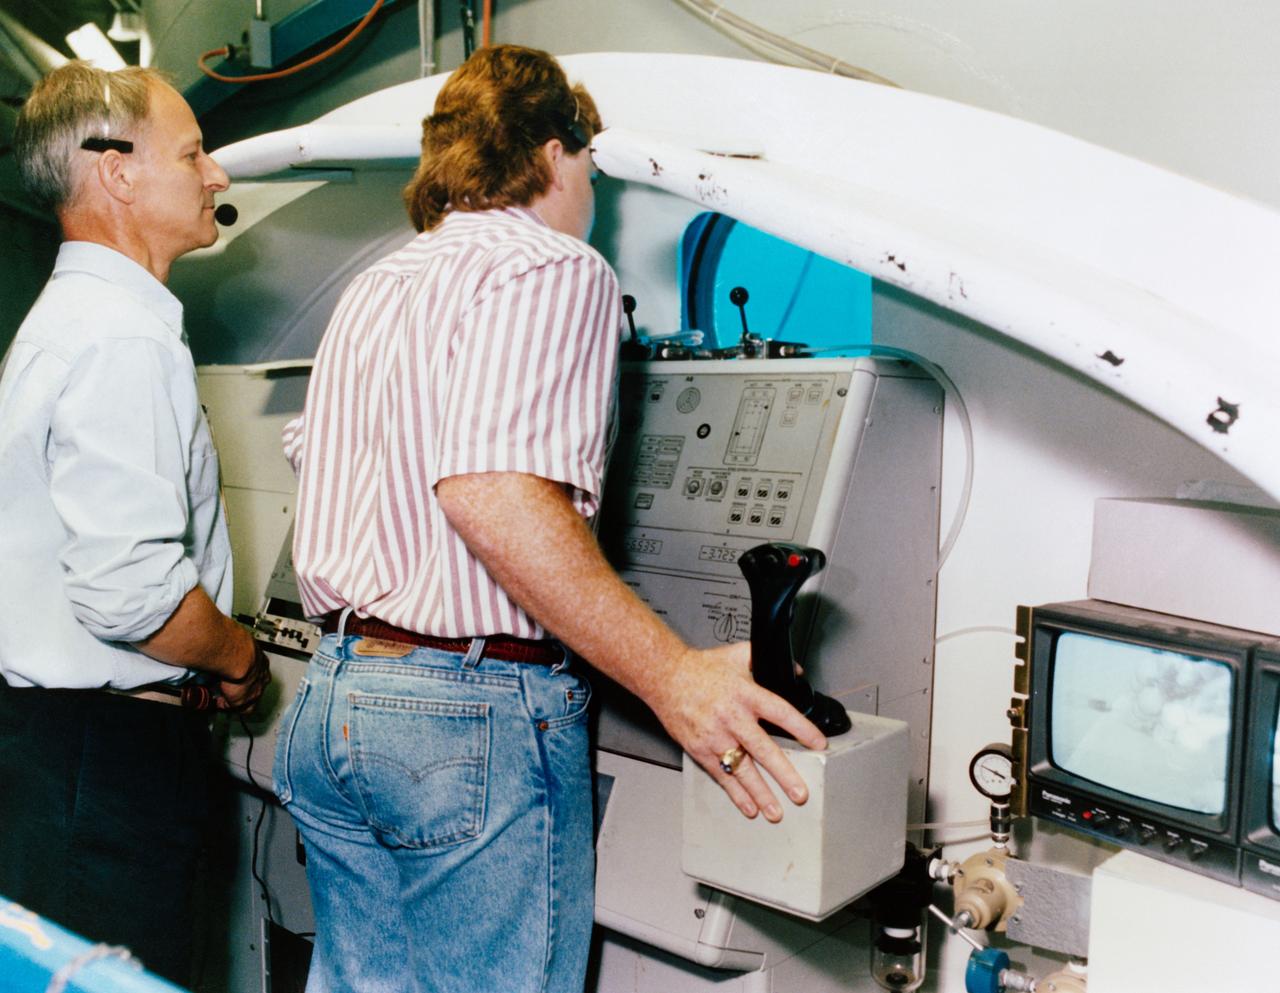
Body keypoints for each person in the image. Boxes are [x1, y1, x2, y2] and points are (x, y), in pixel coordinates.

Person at [274, 44, 826, 993]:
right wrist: (673, 674)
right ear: (556, 151)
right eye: (592, 167)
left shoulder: (376, 286)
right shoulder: (555, 268)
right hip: (465, 717)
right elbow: (487, 489)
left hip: (335, 700)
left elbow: (321, 457)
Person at [0, 62, 270, 985]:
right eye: (194, 153)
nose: (217, 175)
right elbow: (135, 597)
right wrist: (238, 656)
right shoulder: (121, 337)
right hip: (105, 766)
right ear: (115, 170)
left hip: (52, 751)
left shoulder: (65, 321)